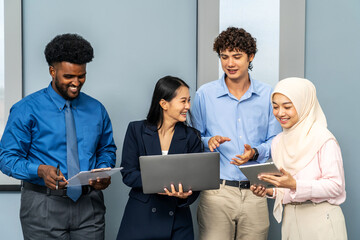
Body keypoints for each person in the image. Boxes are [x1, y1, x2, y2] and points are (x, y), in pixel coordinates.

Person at [0, 33, 117, 240]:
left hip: (89, 206)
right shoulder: (26, 109)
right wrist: (40, 170)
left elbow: (106, 149)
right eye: (68, 76)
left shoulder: (97, 109)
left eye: (81, 76)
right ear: (52, 71)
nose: (76, 82)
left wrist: (102, 170)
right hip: (42, 206)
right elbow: (7, 158)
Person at [191, 27, 282, 240]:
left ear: (250, 57)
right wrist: (208, 140)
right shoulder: (205, 94)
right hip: (216, 193)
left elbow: (276, 141)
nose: (230, 63)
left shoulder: (268, 94)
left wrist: (255, 152)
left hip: (255, 191)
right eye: (224, 57)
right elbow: (193, 138)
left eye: (237, 56)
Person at [250, 77, 347, 239]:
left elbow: (336, 186)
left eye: (287, 106)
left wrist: (295, 184)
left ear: (304, 105)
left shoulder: (323, 138)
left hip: (321, 218)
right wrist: (269, 190)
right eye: (275, 107)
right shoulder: (278, 142)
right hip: (290, 221)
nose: (280, 113)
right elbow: (287, 189)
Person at [117, 76, 202, 240]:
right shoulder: (136, 130)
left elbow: (196, 183)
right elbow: (128, 174)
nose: (188, 106)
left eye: (189, 101)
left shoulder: (192, 136)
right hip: (140, 219)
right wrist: (160, 184)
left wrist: (185, 196)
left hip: (178, 220)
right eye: (183, 101)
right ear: (164, 104)